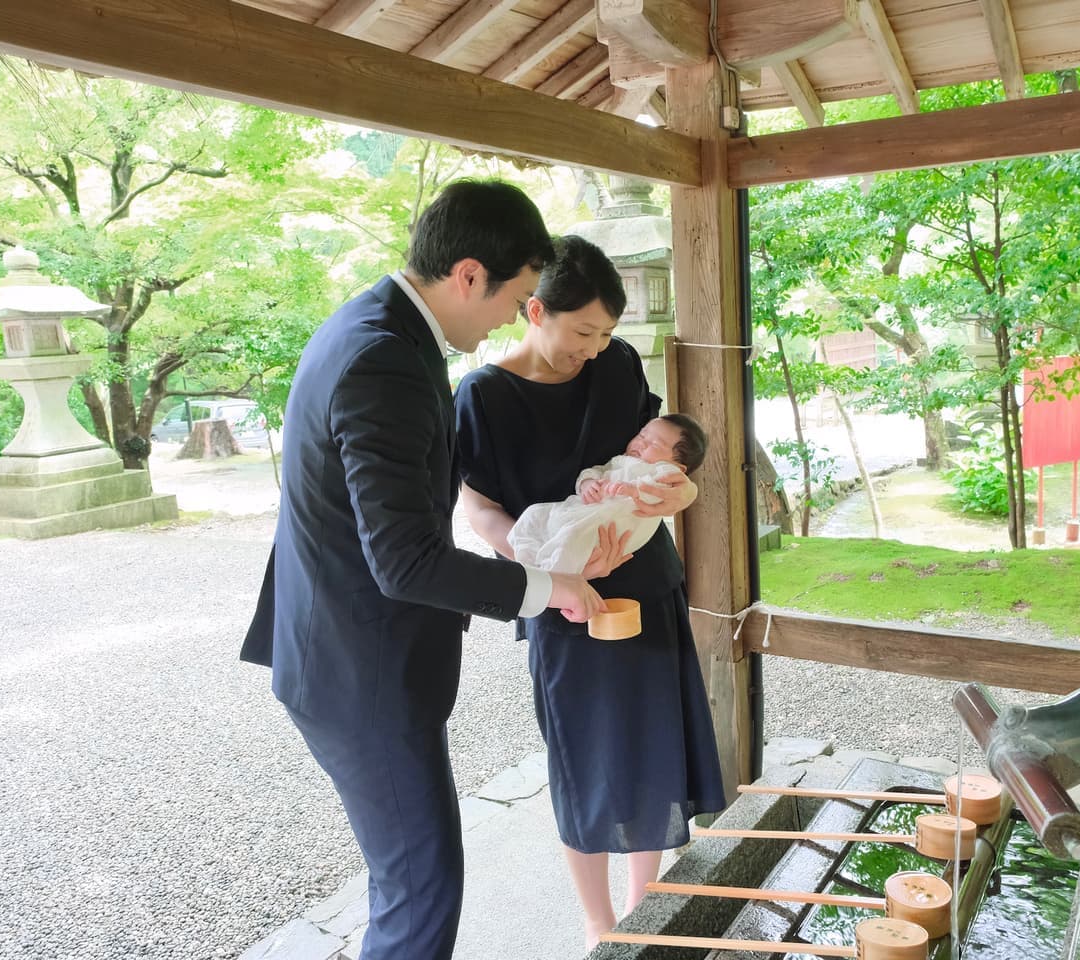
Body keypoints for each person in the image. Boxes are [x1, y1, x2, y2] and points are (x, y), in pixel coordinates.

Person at [238, 181, 613, 960]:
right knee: (421, 889)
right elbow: (406, 560)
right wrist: (549, 590)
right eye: (514, 298)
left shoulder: (371, 326)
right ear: (470, 274)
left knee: (409, 881)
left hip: (338, 651)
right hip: (359, 669)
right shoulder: (385, 361)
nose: (514, 317)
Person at [454, 235, 726, 951]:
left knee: (655, 749)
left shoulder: (618, 365)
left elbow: (664, 459)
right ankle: (600, 923)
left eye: (607, 332)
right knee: (584, 763)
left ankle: (648, 907)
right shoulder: (484, 396)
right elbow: (479, 510)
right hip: (560, 600)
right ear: (534, 310)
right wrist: (549, 575)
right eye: (583, 331)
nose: (597, 347)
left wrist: (684, 491)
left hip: (647, 586)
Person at [509, 414, 708, 574]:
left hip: (609, 527)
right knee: (535, 514)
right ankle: (527, 560)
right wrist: (588, 484)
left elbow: (661, 490)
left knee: (572, 539)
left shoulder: (663, 471)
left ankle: (551, 577)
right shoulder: (621, 460)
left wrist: (633, 490)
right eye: (642, 435)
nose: (641, 444)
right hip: (585, 511)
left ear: (678, 466)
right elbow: (596, 471)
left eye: (655, 445)